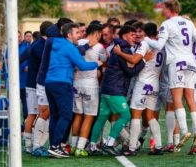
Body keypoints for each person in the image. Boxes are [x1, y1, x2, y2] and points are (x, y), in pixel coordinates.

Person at [144, 0, 196, 150]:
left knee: (177, 99)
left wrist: (145, 39)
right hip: (191, 63)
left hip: (176, 63)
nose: (162, 11)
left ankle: (184, 131)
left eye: (163, 8)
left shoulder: (167, 24)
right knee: (191, 99)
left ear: (169, 9)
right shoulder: (189, 23)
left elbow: (158, 45)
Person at [89, 25, 153, 156]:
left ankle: (92, 146)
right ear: (124, 36)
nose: (134, 38)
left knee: (101, 118)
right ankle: (109, 144)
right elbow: (130, 72)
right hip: (115, 88)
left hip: (107, 87)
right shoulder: (123, 48)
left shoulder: (117, 46)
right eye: (132, 35)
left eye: (135, 35)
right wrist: (145, 60)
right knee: (126, 115)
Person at [46, 23, 100, 158]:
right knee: (66, 116)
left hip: (50, 82)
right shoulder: (70, 47)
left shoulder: (57, 43)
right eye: (77, 33)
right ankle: (55, 146)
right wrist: (97, 64)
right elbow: (82, 65)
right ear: (69, 35)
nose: (80, 35)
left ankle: (54, 146)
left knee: (55, 116)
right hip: (62, 83)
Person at [114, 22, 164, 155]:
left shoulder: (145, 43)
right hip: (155, 84)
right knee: (150, 116)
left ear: (145, 33)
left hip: (143, 83)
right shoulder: (162, 46)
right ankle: (158, 146)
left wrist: (119, 53)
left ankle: (131, 148)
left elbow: (134, 60)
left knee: (135, 116)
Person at [70, 24, 107, 157]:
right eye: (101, 34)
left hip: (77, 83)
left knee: (78, 115)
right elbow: (105, 60)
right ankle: (80, 148)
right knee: (89, 117)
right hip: (90, 84)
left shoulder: (79, 42)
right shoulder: (99, 47)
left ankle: (74, 146)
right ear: (96, 33)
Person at [23, 21, 53, 156]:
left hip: (36, 84)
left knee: (40, 114)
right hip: (33, 86)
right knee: (33, 115)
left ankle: (33, 144)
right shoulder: (40, 45)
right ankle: (30, 145)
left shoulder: (40, 44)